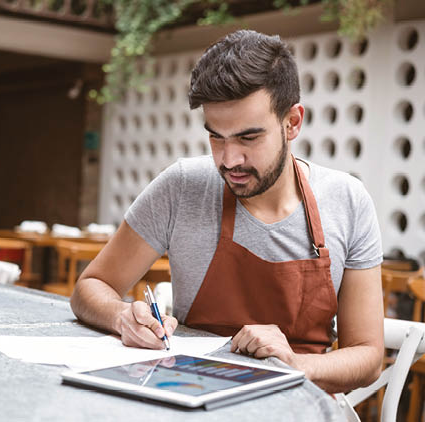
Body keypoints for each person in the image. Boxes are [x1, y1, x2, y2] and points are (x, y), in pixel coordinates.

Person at [71, 30, 384, 394]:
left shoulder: (347, 200)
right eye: (216, 136)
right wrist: (121, 316)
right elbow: (92, 287)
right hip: (188, 394)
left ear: (293, 122)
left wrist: (297, 364)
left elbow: (368, 356)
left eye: (248, 138)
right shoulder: (182, 186)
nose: (229, 160)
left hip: (299, 401)